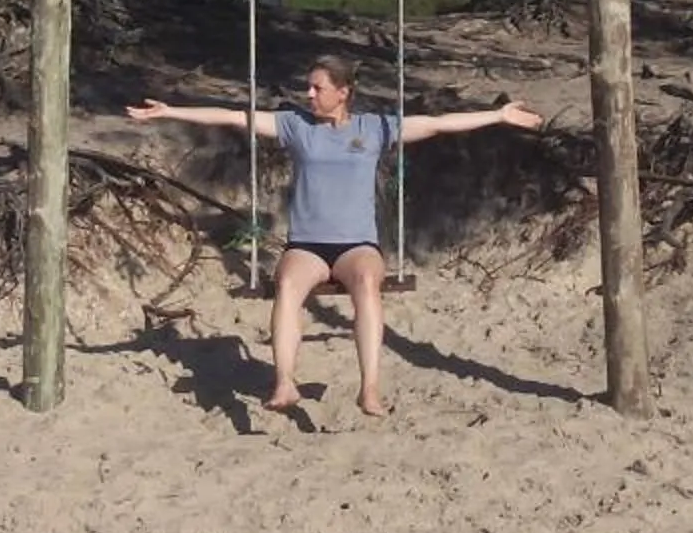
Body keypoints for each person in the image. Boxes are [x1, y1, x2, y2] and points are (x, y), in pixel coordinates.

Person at [127, 54, 544, 416]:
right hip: (307, 245)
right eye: (308, 87)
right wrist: (170, 111)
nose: (309, 94)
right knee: (288, 284)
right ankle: (285, 382)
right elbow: (235, 116)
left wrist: (498, 116)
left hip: (356, 245)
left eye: (317, 88)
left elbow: (437, 124)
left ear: (342, 92)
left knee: (367, 283)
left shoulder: (374, 127)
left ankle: (370, 389)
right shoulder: (296, 126)